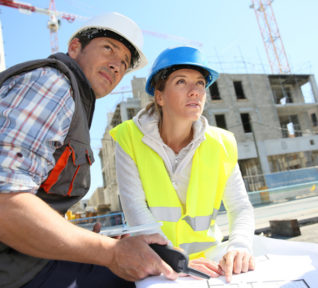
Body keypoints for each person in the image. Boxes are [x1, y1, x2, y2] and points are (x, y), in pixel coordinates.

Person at [0, 12, 178, 288]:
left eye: (124, 63)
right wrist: (108, 252)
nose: (117, 65)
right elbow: (4, 202)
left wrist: (90, 242)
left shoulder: (75, 101)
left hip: (22, 259)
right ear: (74, 48)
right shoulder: (53, 84)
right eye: (109, 48)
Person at [110, 46, 256, 283]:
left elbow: (240, 207)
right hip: (158, 262)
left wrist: (239, 245)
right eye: (181, 82)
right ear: (159, 96)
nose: (195, 91)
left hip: (212, 263)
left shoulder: (222, 143)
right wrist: (175, 259)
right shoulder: (129, 138)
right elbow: (135, 209)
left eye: (200, 83)